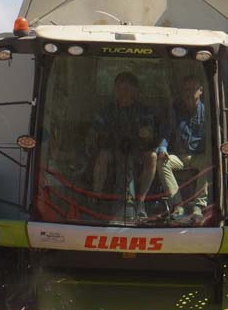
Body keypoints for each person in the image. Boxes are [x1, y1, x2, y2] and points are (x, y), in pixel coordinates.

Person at [89, 71, 158, 219]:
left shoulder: (144, 111)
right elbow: (95, 133)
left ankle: (140, 201)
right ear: (115, 90)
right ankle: (95, 198)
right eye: (120, 88)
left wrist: (146, 133)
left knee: (152, 157)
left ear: (135, 91)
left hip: (137, 152)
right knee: (102, 156)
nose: (123, 92)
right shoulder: (106, 111)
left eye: (127, 88)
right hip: (112, 151)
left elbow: (150, 133)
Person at [157, 76, 207, 221]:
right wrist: (162, 148)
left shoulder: (207, 112)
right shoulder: (175, 110)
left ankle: (199, 205)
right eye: (186, 89)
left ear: (201, 91)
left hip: (199, 156)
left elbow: (214, 135)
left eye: (193, 89)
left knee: (210, 161)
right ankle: (177, 205)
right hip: (179, 156)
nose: (189, 93)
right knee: (162, 162)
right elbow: (166, 132)